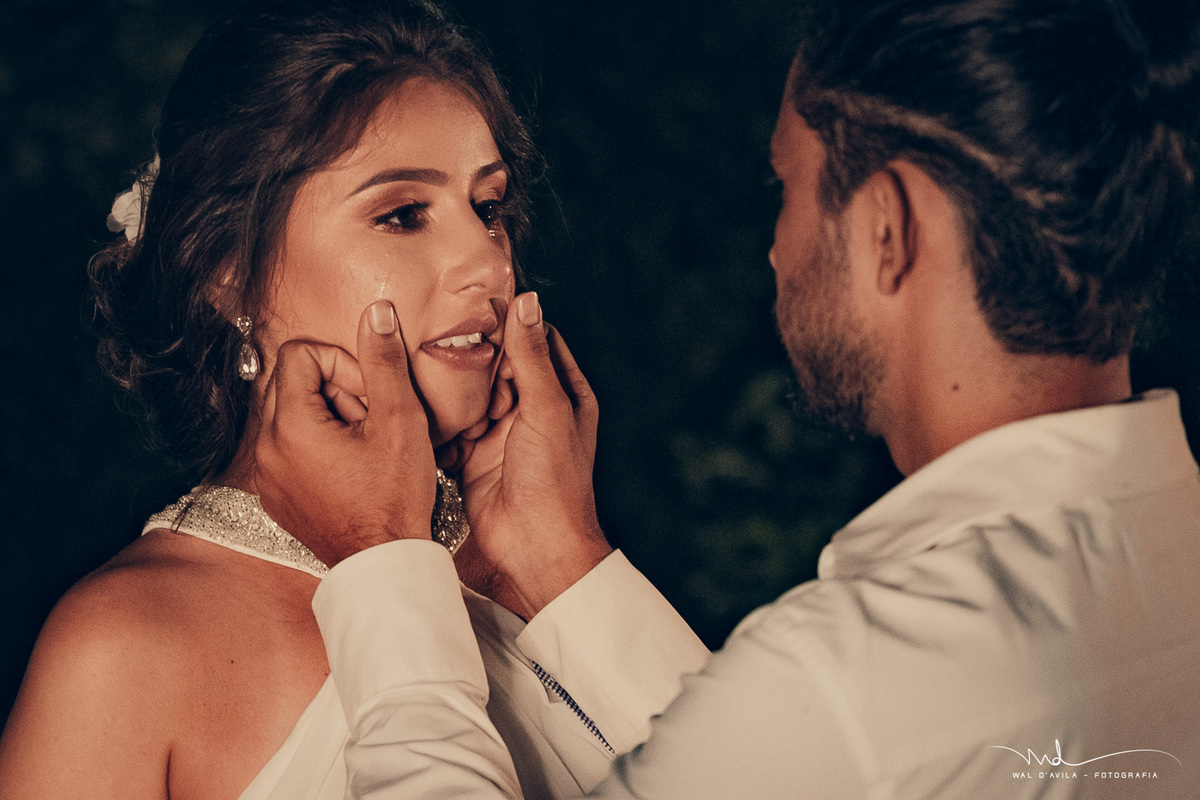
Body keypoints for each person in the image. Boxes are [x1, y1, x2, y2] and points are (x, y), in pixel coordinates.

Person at [251, 0, 1200, 797]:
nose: (776, 252)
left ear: (887, 228)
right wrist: (560, 561)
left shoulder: (857, 673)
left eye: (786, 190)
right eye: (404, 214)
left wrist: (383, 565)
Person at [0, 2, 706, 798]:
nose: (488, 262)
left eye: (488, 209)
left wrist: (568, 561)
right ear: (226, 271)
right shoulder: (124, 648)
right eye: (403, 215)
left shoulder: (545, 571)